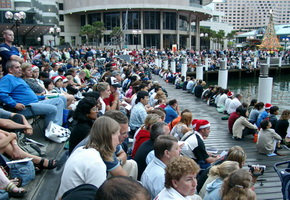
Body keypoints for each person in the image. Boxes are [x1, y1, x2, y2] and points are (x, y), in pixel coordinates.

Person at [56, 116, 120, 200]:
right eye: (117, 137)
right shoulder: (96, 164)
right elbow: (98, 197)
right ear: (109, 136)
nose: (118, 142)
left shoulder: (81, 149)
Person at [0, 60, 65, 128]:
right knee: (53, 109)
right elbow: (1, 94)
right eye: (17, 67)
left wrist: (42, 97)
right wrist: (14, 104)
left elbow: (30, 95)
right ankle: (49, 132)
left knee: (60, 101)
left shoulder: (18, 79)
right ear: (10, 69)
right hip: (26, 107)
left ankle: (58, 127)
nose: (20, 69)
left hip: (35, 102)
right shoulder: (7, 78)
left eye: (20, 67)